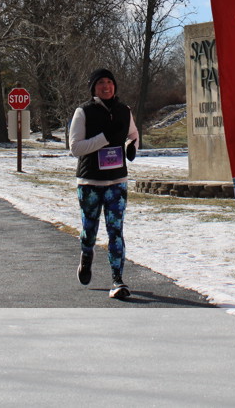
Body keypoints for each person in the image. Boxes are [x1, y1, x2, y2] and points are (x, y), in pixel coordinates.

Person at [69, 68, 139, 300]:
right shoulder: (83, 111)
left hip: (117, 181)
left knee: (115, 231)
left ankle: (117, 280)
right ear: (93, 87)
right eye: (101, 83)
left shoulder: (124, 110)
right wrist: (104, 139)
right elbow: (75, 148)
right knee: (89, 230)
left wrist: (132, 147)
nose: (106, 86)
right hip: (90, 181)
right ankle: (86, 255)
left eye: (109, 82)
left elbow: (133, 134)